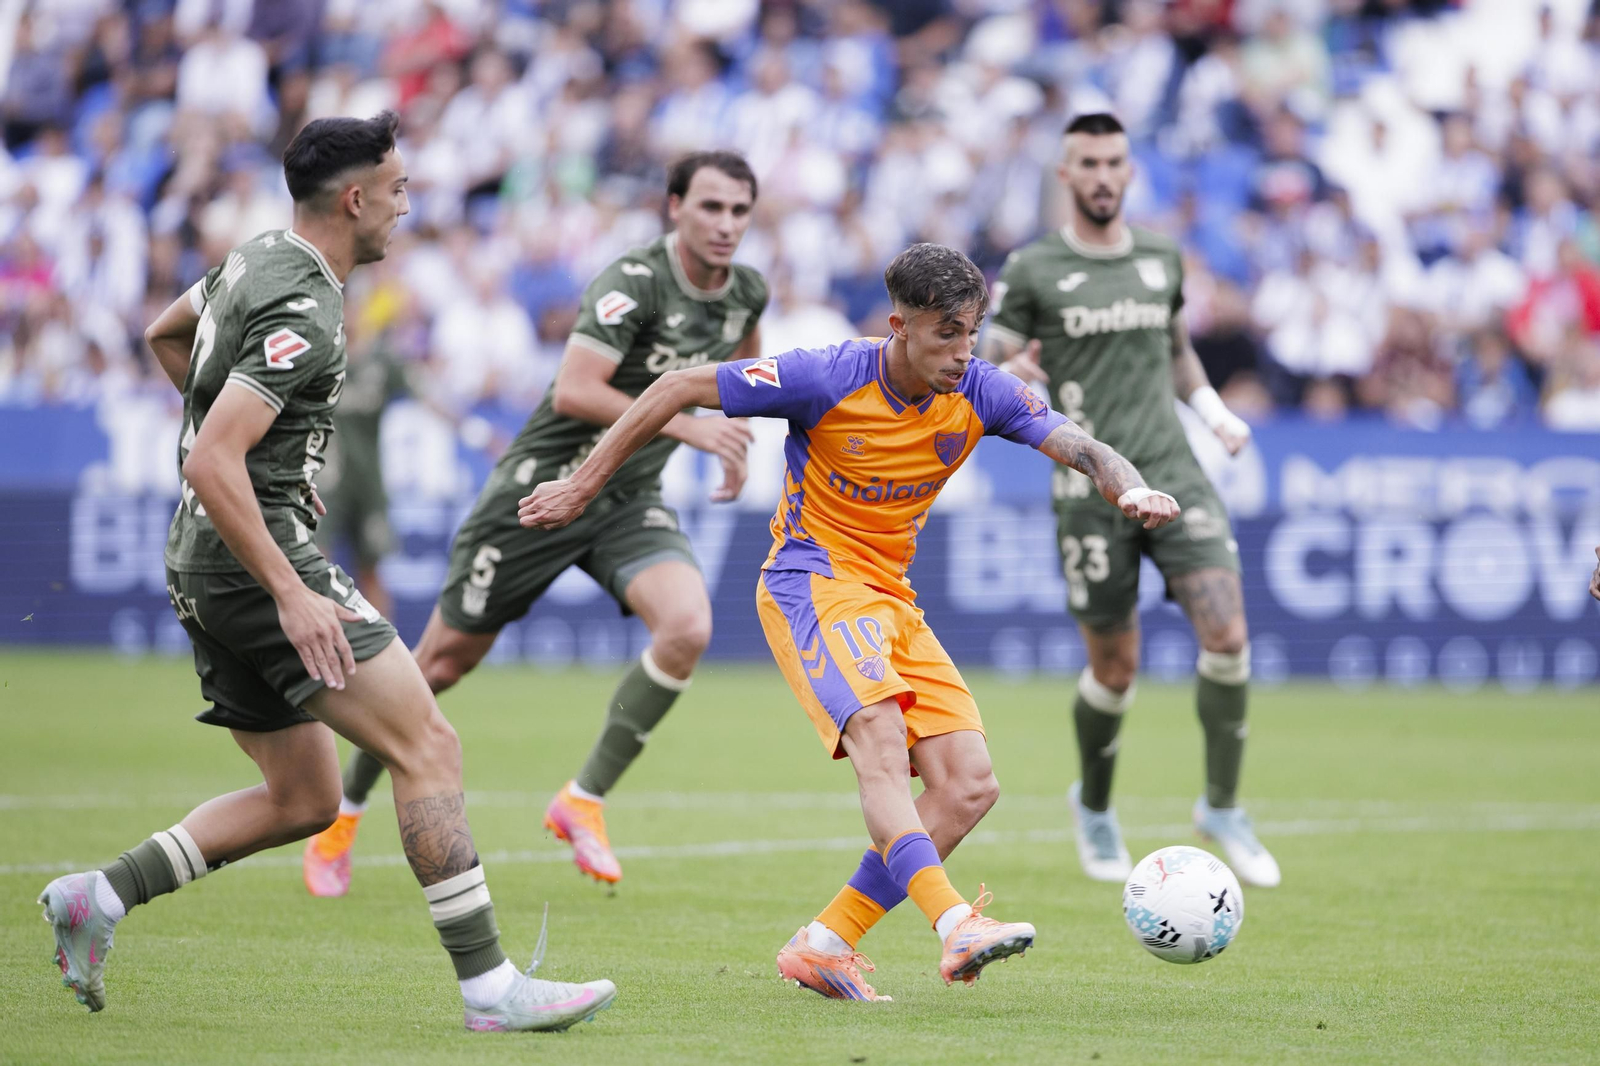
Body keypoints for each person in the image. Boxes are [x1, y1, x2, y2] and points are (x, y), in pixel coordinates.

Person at [36, 112, 616, 1032]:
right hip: (250, 558)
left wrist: (226, 437)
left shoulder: (257, 254)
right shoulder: (308, 306)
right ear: (355, 200)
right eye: (398, 190)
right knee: (428, 745)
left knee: (304, 797)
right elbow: (212, 461)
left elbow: (165, 331)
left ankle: (98, 896)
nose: (407, 207)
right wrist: (291, 587)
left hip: (199, 559)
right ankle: (491, 990)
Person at [518, 242, 1181, 1001]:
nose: (964, 352)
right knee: (880, 742)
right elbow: (673, 386)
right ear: (899, 325)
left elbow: (1088, 449)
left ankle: (825, 943)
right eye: (946, 333)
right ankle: (954, 922)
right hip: (813, 583)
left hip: (891, 598)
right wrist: (579, 486)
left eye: (973, 332)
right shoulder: (826, 375)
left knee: (968, 786)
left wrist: (1131, 491)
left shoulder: (982, 389)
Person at [303, 151, 767, 893]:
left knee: (688, 628)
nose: (727, 225)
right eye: (711, 207)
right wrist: (688, 427)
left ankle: (581, 801)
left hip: (626, 500)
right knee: (439, 666)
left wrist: (734, 441)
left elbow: (742, 378)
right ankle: (344, 813)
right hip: (538, 492)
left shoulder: (747, 292)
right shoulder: (634, 282)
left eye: (740, 211)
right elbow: (578, 390)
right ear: (674, 206)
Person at [982, 112, 1280, 888]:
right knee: (1115, 670)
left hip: (1176, 470)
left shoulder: (1158, 256)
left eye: (1115, 160)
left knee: (1229, 634)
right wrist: (1012, 367)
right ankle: (1097, 807)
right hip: (1091, 487)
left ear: (1129, 169)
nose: (1105, 175)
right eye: (1089, 162)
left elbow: (1176, 348)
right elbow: (987, 348)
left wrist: (1213, 414)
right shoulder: (1037, 267)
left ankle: (1221, 806)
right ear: (1066, 174)